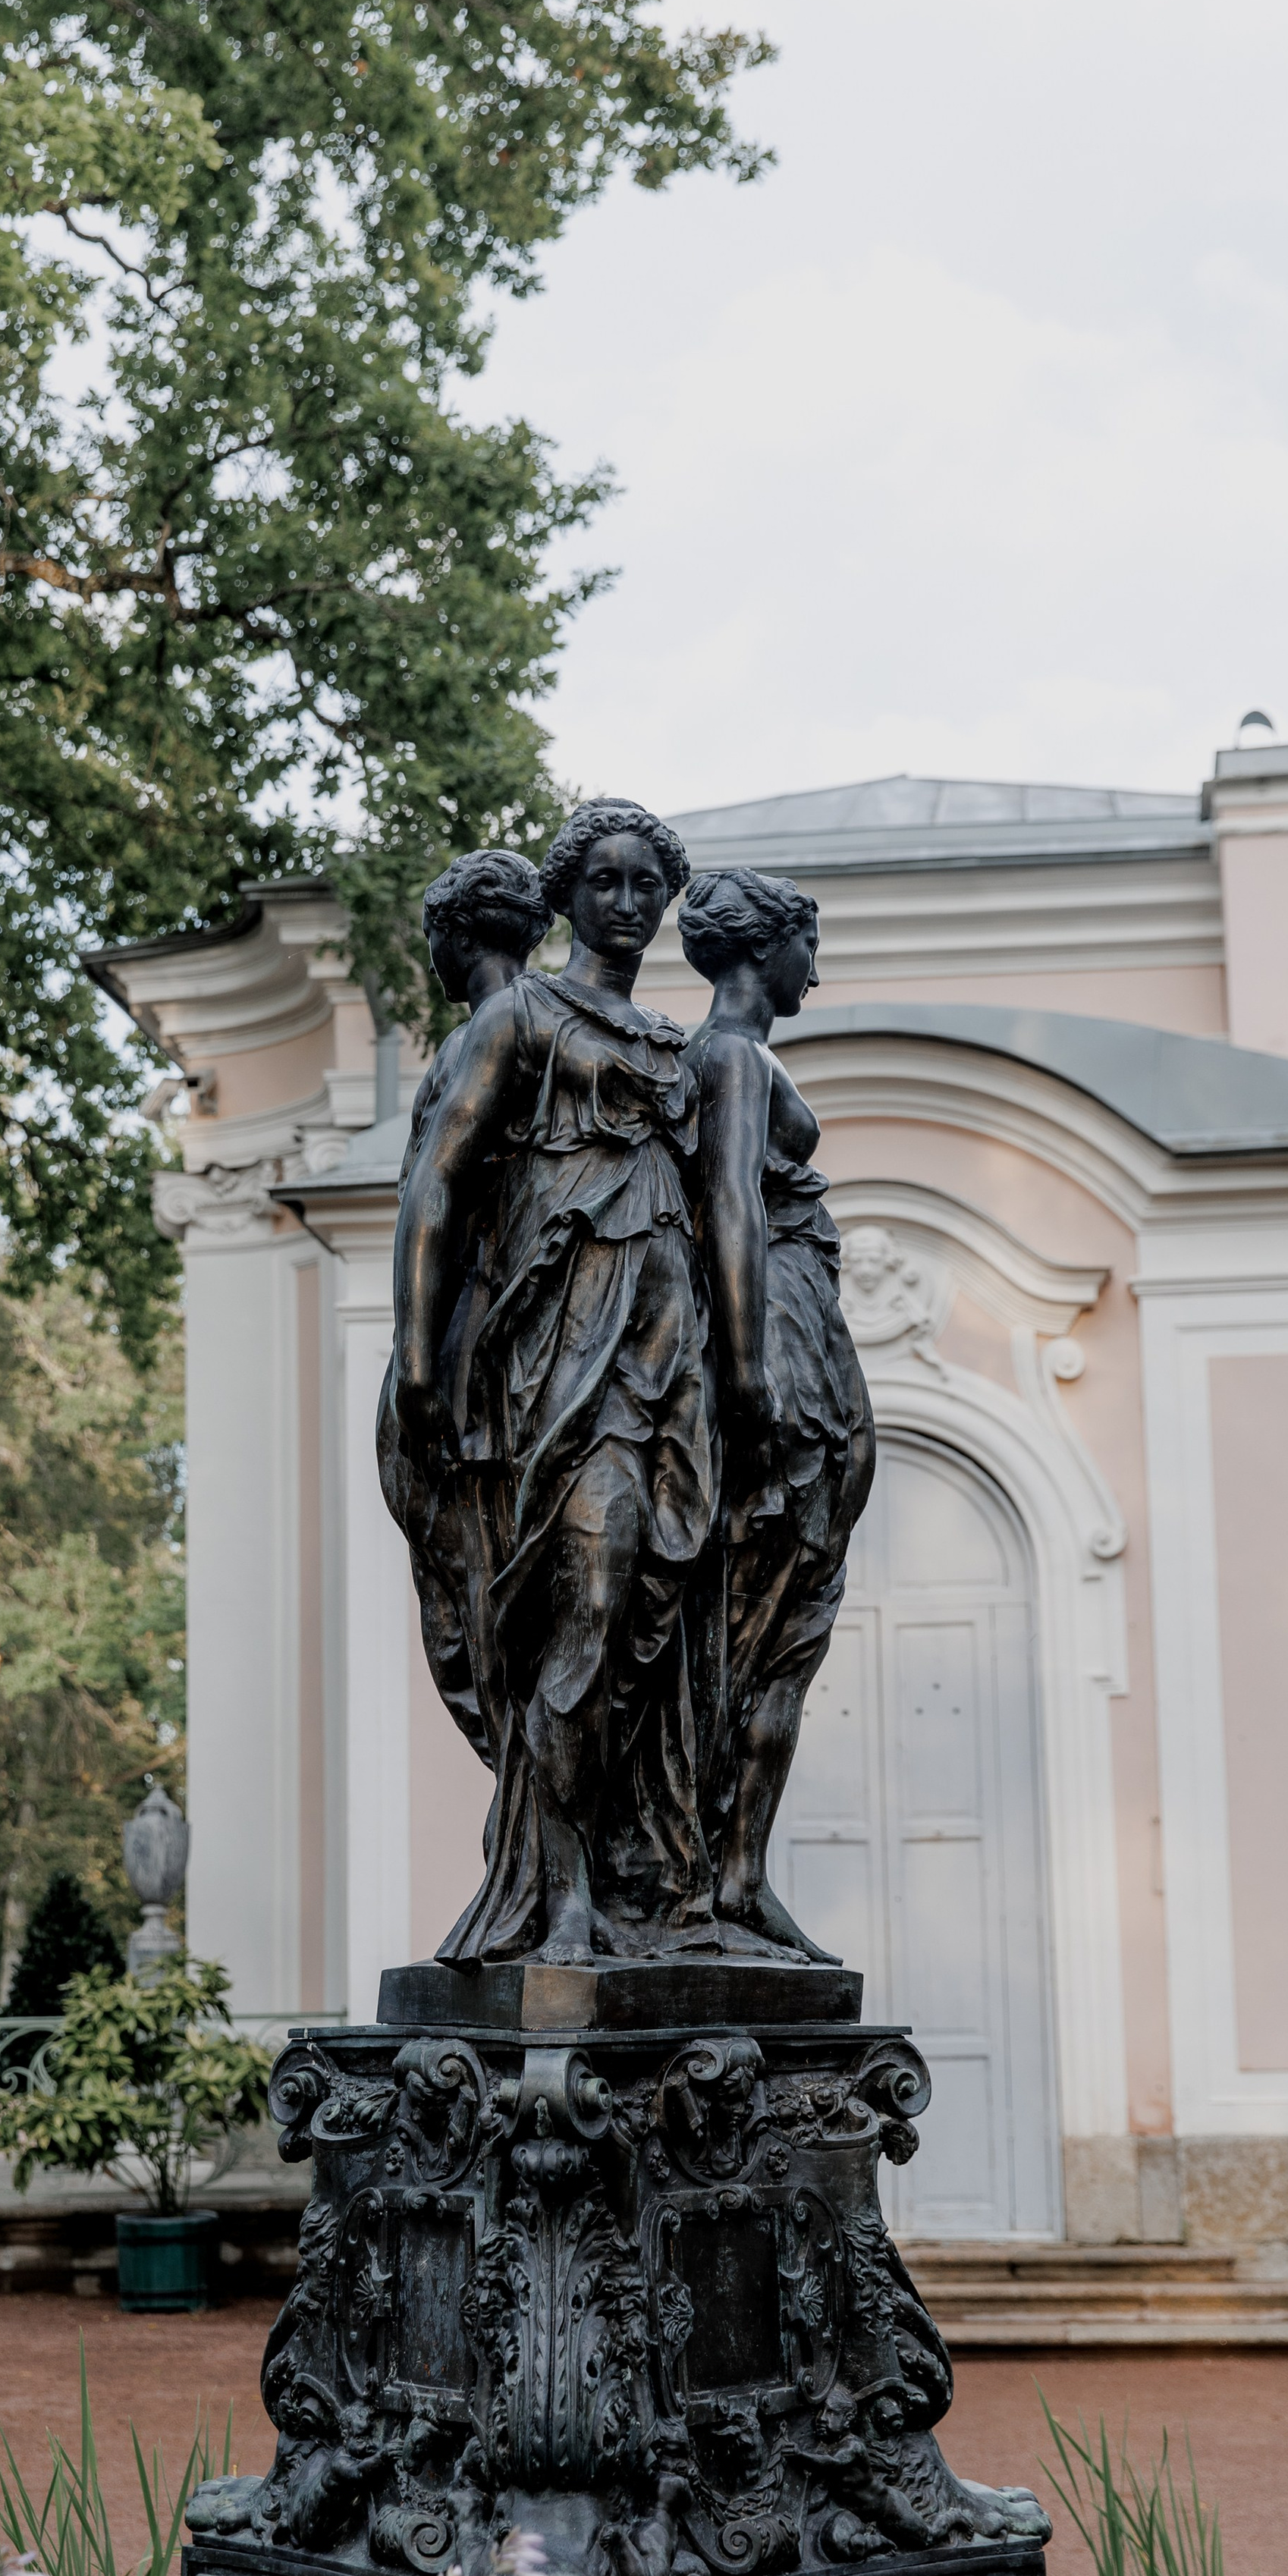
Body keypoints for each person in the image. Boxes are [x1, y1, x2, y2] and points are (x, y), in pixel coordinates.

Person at [387, 800, 712, 1962]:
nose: (630, 904)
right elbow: (435, 1187)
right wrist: (424, 1365)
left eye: (648, 887)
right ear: (567, 896)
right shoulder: (518, 1019)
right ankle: (557, 1893)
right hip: (559, 1359)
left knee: (654, 1620)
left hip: (669, 1355)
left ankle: (638, 1883)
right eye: (609, 882)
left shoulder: (676, 1047)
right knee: (589, 1586)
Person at [680, 865, 875, 1955]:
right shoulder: (732, 1058)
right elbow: (729, 1216)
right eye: (811, 943)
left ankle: (740, 1872)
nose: (818, 967)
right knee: (760, 1626)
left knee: (784, 1628)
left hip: (798, 1329)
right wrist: (751, 1373)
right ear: (768, 949)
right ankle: (727, 1873)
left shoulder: (736, 1057)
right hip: (780, 1343)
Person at [377, 848, 553, 1765]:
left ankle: (533, 1813)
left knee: (473, 1583)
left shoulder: (495, 1027)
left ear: (455, 934)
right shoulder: (541, 1026)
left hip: (472, 1344)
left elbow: (432, 1192)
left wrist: (413, 1355)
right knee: (477, 1582)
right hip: (500, 1338)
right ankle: (533, 1824)